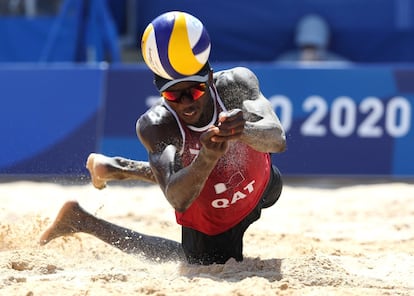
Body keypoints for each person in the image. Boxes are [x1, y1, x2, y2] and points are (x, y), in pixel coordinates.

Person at [40, 11, 286, 265]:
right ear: (161, 93)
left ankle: (115, 167)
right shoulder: (157, 125)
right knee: (198, 262)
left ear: (210, 78)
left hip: (262, 183)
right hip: (211, 211)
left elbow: (277, 139)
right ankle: (81, 220)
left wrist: (242, 130)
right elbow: (177, 198)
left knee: (275, 188)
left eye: (195, 90)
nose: (187, 102)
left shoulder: (235, 82)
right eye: (174, 96)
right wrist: (207, 158)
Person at [276, 14, 349, 62]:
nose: (309, 53)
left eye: (314, 47)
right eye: (306, 46)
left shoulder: (337, 66)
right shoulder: (285, 63)